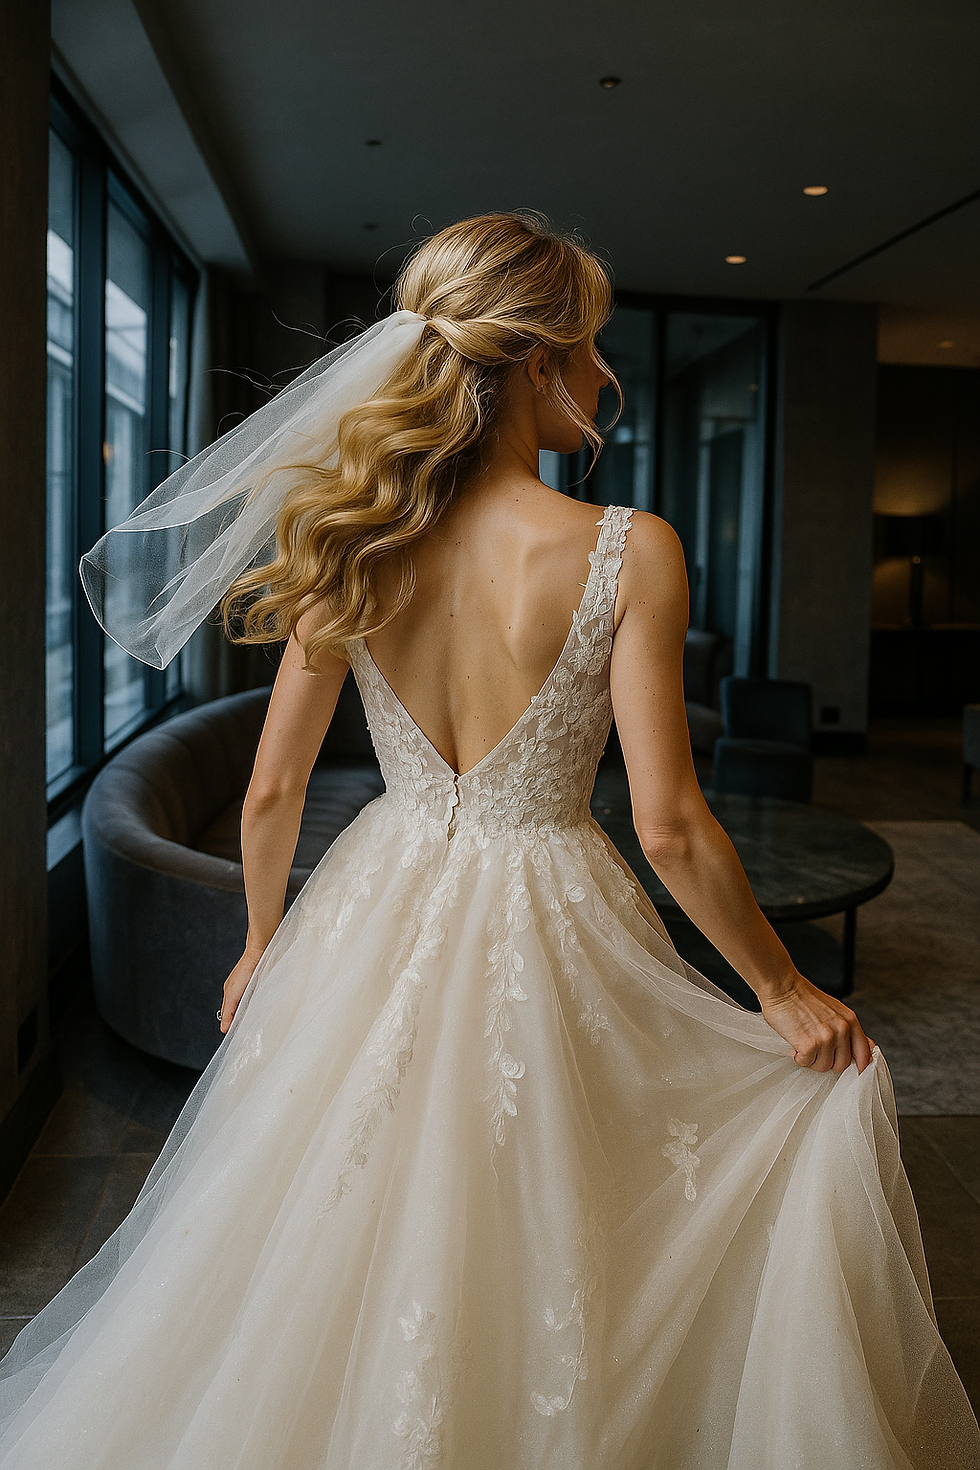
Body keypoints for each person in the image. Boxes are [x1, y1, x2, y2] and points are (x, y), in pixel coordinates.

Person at [1, 212, 977, 1468]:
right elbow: (669, 828)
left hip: (374, 899)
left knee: (337, 1225)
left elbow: (270, 792)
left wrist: (260, 945)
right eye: (589, 348)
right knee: (566, 1210)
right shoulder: (628, 551)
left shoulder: (348, 539)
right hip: (553, 902)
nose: (600, 379)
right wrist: (780, 989)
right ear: (531, 362)